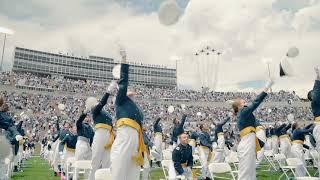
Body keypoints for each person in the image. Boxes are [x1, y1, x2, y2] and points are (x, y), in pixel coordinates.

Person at [110, 49, 145, 180]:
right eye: (127, 90)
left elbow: (141, 119)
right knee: (119, 167)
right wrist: (124, 60)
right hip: (125, 133)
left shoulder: (135, 106)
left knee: (133, 170)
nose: (130, 90)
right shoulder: (120, 100)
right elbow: (124, 82)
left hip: (135, 136)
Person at [232, 79, 273, 180]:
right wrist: (266, 88)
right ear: (239, 106)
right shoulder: (243, 111)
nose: (245, 103)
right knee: (246, 171)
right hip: (247, 144)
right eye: (243, 102)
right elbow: (256, 102)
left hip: (249, 142)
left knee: (250, 170)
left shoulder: (242, 113)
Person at [88, 82, 117, 180]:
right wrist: (108, 92)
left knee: (108, 161)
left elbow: (111, 125)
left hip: (109, 134)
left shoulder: (105, 113)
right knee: (96, 159)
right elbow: (102, 103)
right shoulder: (95, 111)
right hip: (100, 133)